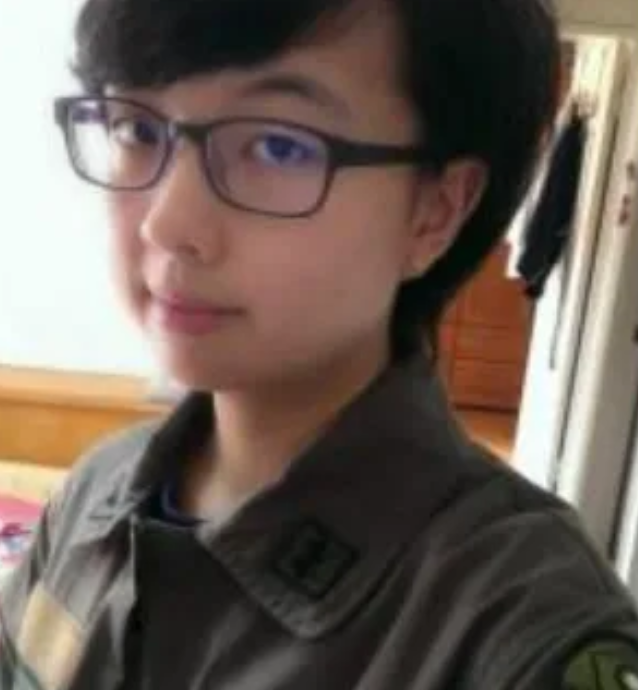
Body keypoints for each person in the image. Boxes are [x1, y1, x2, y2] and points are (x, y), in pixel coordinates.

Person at [2, 0, 638, 688]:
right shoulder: (97, 489)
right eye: (137, 129)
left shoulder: (518, 622)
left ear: (437, 210)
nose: (168, 223)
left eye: (279, 146)